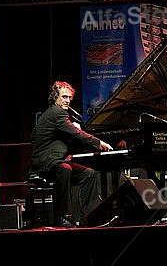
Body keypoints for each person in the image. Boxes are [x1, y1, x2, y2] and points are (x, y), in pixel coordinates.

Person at [28, 81, 113, 227]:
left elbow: (33, 136)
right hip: (45, 163)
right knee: (65, 169)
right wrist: (98, 143)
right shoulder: (57, 112)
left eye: (69, 98)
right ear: (55, 97)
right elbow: (76, 133)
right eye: (64, 97)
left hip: (54, 161)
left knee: (89, 174)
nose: (68, 101)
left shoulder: (49, 114)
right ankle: (61, 216)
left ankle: (90, 216)